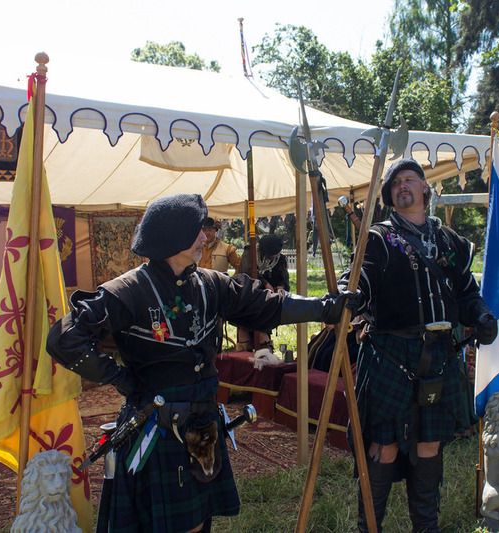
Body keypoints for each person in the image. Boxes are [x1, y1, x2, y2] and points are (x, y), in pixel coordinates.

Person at [46, 193, 353, 532]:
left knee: (199, 523)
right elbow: (64, 339)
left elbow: (266, 304)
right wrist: (120, 377)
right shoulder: (128, 290)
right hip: (156, 427)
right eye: (197, 231)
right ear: (173, 236)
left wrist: (324, 307)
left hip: (203, 424)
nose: (205, 237)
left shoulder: (209, 283)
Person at [340, 158, 498, 533]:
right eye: (395, 183)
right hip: (390, 356)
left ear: (426, 188)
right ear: (390, 196)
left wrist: (481, 315)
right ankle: (369, 529)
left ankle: (426, 529)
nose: (402, 186)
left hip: (440, 358)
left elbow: (466, 292)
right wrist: (350, 294)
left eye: (409, 179)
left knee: (430, 444)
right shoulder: (377, 239)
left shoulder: (451, 242)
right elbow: (360, 276)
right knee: (385, 445)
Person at [236, 234, 291, 351]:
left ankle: (265, 356)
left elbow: (283, 276)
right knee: (244, 330)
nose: (272, 256)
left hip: (267, 300)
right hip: (249, 297)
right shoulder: (250, 253)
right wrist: (265, 284)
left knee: (262, 331)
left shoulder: (280, 259)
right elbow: (247, 272)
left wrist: (280, 287)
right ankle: (244, 359)